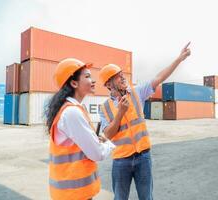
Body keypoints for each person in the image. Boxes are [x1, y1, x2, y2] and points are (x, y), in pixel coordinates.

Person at [98, 43, 191, 200]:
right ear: (108, 84)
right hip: (121, 161)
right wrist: (120, 113)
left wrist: (179, 59)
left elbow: (159, 77)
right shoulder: (105, 107)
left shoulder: (137, 92)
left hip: (143, 158)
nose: (122, 77)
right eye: (117, 75)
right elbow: (107, 135)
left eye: (122, 74)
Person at [45, 58, 115, 200]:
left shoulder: (70, 109)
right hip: (74, 194)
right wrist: (109, 144)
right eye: (88, 76)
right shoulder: (72, 112)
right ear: (74, 83)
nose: (93, 80)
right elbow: (97, 154)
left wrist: (95, 140)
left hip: (70, 193)